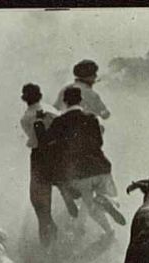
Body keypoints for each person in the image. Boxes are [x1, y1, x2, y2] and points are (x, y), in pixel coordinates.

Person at [36, 86, 125, 239]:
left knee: (89, 205)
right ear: (81, 101)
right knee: (103, 198)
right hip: (101, 168)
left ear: (64, 101)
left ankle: (105, 228)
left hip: (80, 174)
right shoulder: (91, 119)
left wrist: (39, 123)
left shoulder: (59, 122)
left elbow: (45, 142)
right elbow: (99, 142)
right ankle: (107, 206)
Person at [19, 83, 63, 246]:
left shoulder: (26, 118)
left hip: (40, 157)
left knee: (38, 200)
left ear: (25, 98)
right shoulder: (51, 110)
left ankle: (46, 228)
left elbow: (32, 137)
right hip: (58, 153)